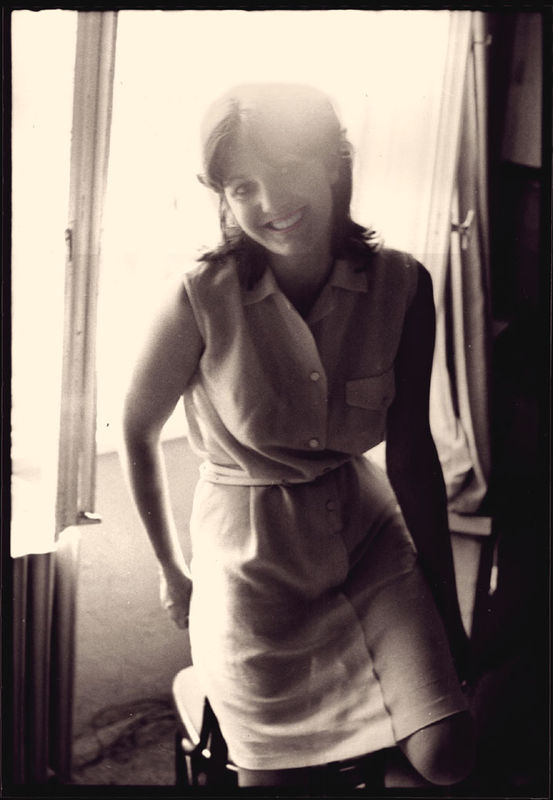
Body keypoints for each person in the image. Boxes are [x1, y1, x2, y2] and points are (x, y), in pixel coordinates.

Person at [122, 83, 475, 789]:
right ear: (222, 197)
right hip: (251, 564)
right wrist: (172, 569)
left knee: (448, 758)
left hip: (368, 542)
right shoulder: (200, 296)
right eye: (242, 186)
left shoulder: (403, 284)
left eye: (287, 169)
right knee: (278, 784)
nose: (270, 202)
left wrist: (444, 599)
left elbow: (409, 450)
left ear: (333, 164)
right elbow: (136, 430)